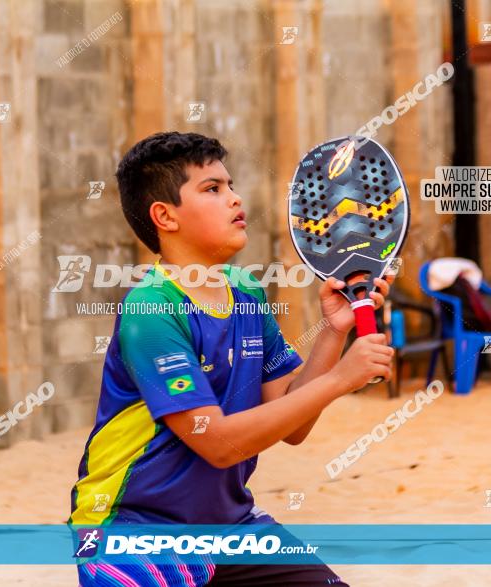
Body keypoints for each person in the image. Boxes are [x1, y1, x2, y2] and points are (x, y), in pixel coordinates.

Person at [69, 131, 395, 586]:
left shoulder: (245, 291)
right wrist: (342, 378)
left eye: (231, 185)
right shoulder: (152, 311)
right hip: (132, 533)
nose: (234, 199)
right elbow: (218, 443)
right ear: (165, 216)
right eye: (212, 189)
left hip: (228, 527)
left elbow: (294, 424)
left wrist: (332, 333)